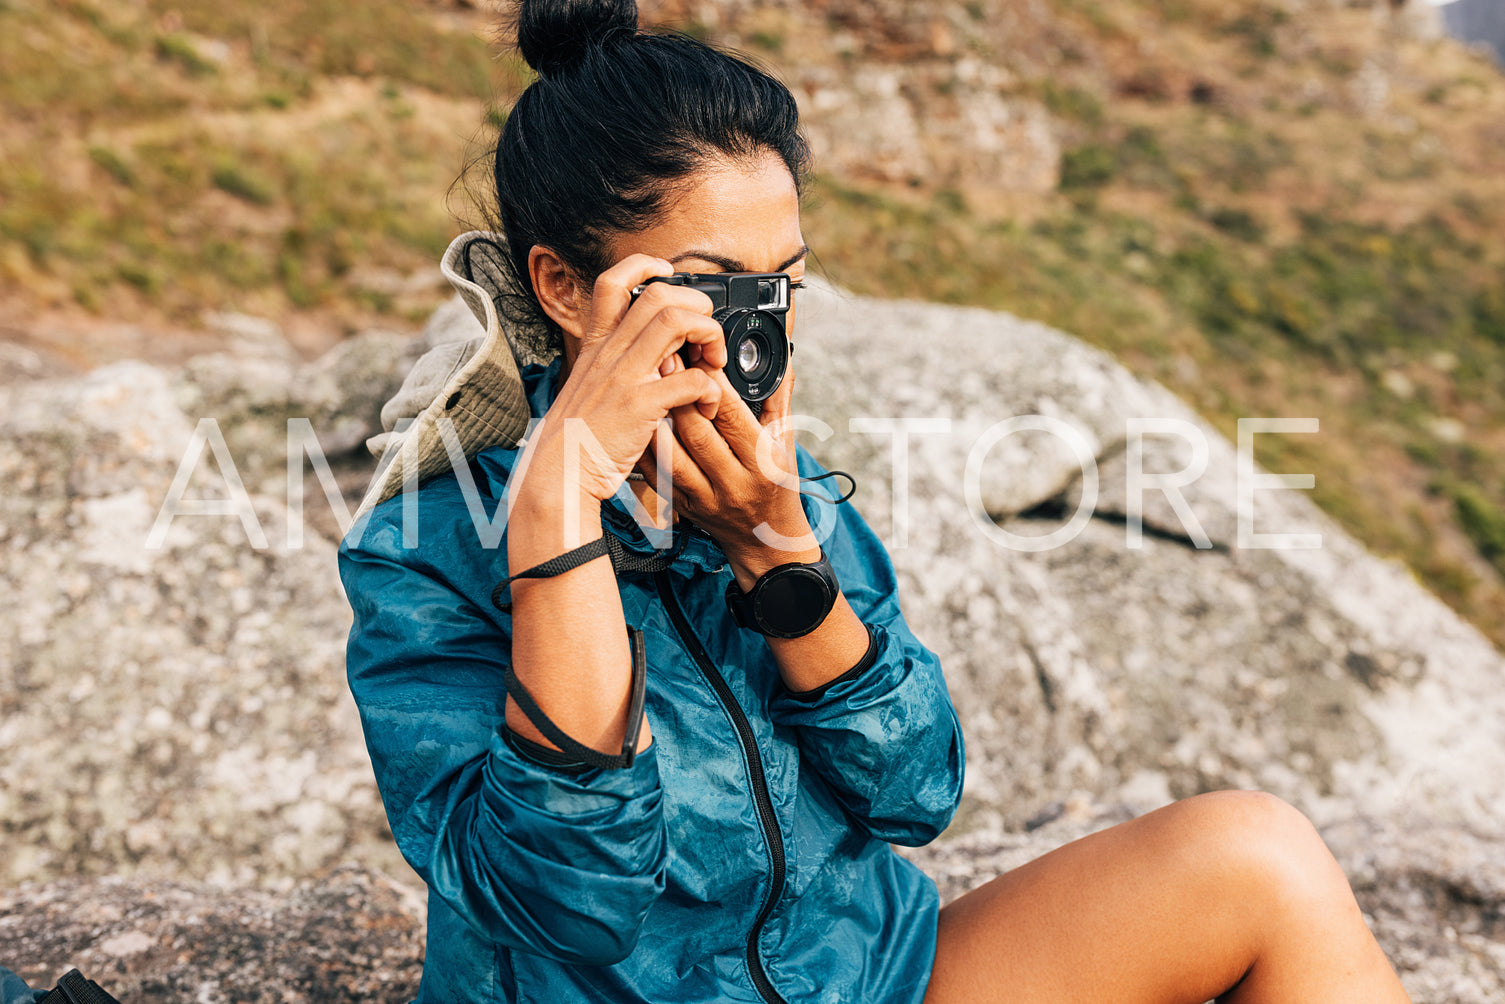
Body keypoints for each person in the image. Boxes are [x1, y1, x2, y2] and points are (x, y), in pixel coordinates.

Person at [337, 1, 1415, 1001]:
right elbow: (563, 906)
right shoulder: (425, 545)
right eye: (710, 283)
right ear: (563, 286)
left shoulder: (772, 483)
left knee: (1256, 853)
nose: (751, 332)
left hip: (871, 973)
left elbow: (915, 792)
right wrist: (555, 515)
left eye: (781, 284)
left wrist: (779, 561)